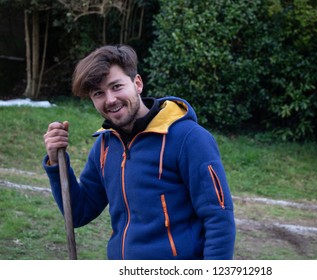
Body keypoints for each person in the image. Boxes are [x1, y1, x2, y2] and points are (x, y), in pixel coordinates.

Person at [42, 45, 236, 260]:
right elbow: (79, 213)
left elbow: (218, 218)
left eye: (116, 86)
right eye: (99, 93)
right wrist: (56, 162)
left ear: (137, 84)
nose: (110, 100)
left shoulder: (189, 138)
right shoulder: (105, 146)